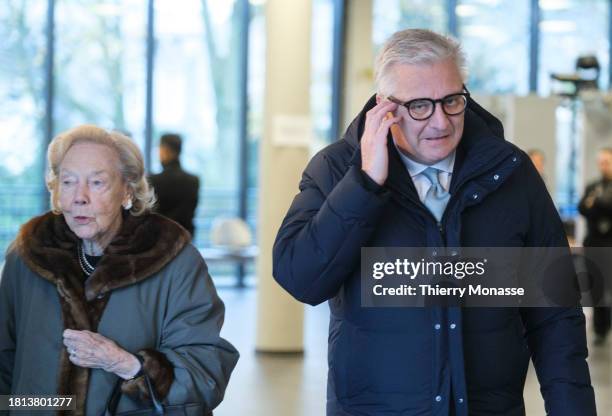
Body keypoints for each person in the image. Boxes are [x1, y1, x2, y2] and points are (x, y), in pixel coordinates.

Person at [273, 29, 596, 415]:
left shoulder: (512, 173)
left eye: (452, 101)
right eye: (420, 106)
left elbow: (555, 310)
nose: (441, 122)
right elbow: (300, 277)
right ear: (385, 108)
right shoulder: (336, 168)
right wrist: (363, 186)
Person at [0, 125, 238, 415]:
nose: (80, 197)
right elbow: (5, 368)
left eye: (97, 182)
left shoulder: (175, 260)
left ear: (127, 189)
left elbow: (206, 371)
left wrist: (126, 364)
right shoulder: (26, 257)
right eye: (68, 181)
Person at [579, 147, 612, 345]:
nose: (604, 166)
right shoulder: (593, 185)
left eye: (607, 162)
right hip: (594, 243)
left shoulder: (597, 192)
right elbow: (583, 207)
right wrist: (599, 204)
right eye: (601, 162)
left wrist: (596, 204)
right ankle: (600, 328)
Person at [149, 133, 200, 238]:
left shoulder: (153, 180)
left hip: (160, 239)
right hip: (186, 238)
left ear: (165, 150)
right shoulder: (194, 180)